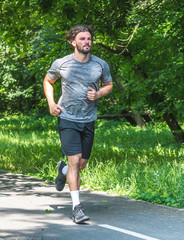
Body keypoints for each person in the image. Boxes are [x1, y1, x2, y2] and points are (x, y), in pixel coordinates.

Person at [43, 25, 113, 224]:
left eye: (89, 39)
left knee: (81, 164)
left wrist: (98, 93)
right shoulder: (62, 63)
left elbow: (108, 85)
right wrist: (51, 103)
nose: (86, 42)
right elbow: (48, 81)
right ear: (72, 42)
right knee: (75, 161)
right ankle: (77, 208)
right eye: (82, 39)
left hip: (88, 119)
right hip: (67, 118)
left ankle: (63, 171)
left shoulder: (100, 65)